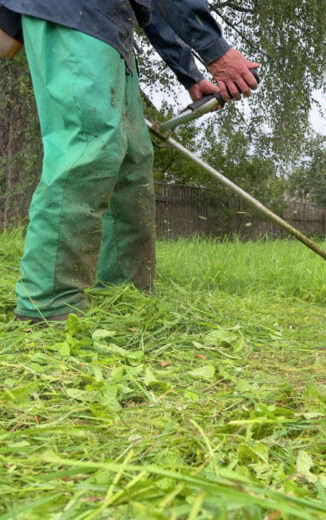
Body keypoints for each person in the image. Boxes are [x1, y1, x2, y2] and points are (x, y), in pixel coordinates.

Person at [1, 1, 258, 323]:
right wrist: (216, 51)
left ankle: (125, 294)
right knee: (89, 148)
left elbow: (148, 5)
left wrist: (189, 74)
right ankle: (47, 304)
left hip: (110, 24)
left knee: (132, 160)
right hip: (70, 10)